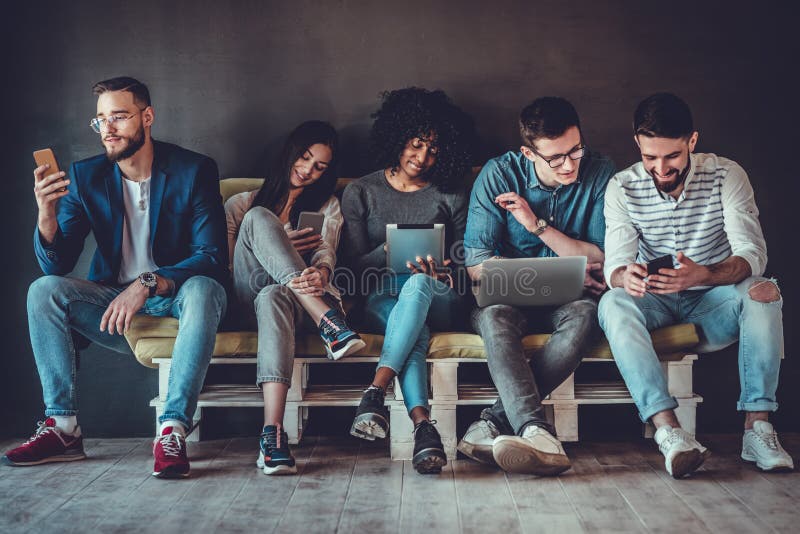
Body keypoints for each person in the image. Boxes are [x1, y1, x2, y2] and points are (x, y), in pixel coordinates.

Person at [3, 77, 229, 478]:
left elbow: (210, 257)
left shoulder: (194, 170)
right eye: (101, 120)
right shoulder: (87, 176)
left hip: (178, 297)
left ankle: (172, 428)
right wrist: (46, 214)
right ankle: (64, 429)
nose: (107, 128)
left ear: (147, 117)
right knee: (43, 291)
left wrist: (145, 284)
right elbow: (56, 265)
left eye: (119, 117)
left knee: (205, 288)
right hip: (113, 308)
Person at [598, 92, 793, 478]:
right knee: (612, 302)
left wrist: (703, 274)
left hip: (713, 303)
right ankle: (670, 433)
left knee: (763, 289)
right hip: (655, 302)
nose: (660, 167)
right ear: (637, 144)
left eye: (671, 156)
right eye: (650, 156)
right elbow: (615, 266)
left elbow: (752, 254)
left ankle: (758, 427)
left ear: (692, 141)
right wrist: (625, 275)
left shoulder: (727, 174)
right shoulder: (621, 187)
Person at [458, 97, 615, 475]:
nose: (569, 164)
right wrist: (569, 265)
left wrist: (536, 226)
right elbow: (478, 267)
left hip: (570, 300)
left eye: (575, 150)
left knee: (586, 316)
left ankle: (492, 424)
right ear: (529, 153)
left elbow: (602, 258)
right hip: (506, 300)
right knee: (495, 318)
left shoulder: (600, 171)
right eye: (555, 157)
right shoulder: (498, 174)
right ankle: (535, 429)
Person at [341, 87, 475, 474]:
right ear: (397, 138)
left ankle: (375, 391)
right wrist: (387, 251)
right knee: (410, 326)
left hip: (441, 294)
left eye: (434, 150)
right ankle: (423, 428)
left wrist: (447, 268)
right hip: (381, 298)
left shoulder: (451, 193)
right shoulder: (362, 191)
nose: (423, 158)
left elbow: (469, 258)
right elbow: (349, 272)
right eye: (416, 145)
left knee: (417, 288)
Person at [225, 120, 365, 475]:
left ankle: (271, 436)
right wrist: (282, 243)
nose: (307, 171)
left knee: (274, 294)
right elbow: (229, 265)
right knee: (259, 219)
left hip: (289, 304)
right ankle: (329, 323)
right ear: (290, 152)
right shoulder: (241, 204)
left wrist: (322, 272)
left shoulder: (327, 206)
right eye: (304, 158)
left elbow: (325, 254)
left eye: (319, 167)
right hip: (248, 295)